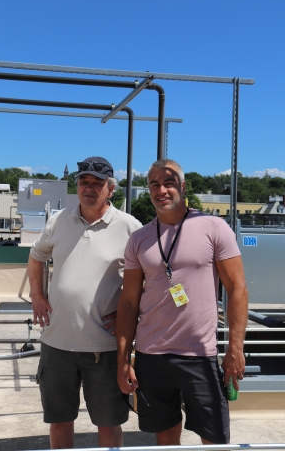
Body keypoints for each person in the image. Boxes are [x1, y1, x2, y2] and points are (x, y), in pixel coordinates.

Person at [117, 159, 248, 446]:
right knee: (165, 438)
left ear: (183, 186)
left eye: (169, 183)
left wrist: (235, 349)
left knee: (214, 438)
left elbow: (237, 289)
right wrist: (123, 360)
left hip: (200, 355)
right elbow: (128, 303)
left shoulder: (213, 227)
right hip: (152, 356)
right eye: (154, 184)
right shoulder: (138, 239)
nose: (161, 190)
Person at [28, 156, 142, 449]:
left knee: (108, 424)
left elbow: (148, 278)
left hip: (104, 348)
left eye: (97, 183)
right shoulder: (59, 220)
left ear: (111, 189)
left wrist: (132, 315)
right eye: (83, 182)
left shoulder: (130, 227)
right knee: (59, 421)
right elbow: (36, 256)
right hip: (57, 345)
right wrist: (37, 295)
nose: (88, 188)